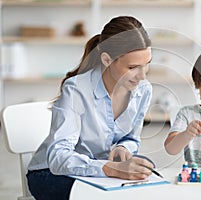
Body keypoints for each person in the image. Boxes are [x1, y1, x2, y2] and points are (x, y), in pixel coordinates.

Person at [26, 16, 154, 200]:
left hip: (99, 168)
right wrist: (112, 169)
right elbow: (58, 157)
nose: (142, 76)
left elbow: (131, 138)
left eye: (147, 64)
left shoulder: (143, 90)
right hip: (51, 174)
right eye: (133, 67)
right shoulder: (76, 89)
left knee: (145, 173)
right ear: (107, 59)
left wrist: (123, 149)